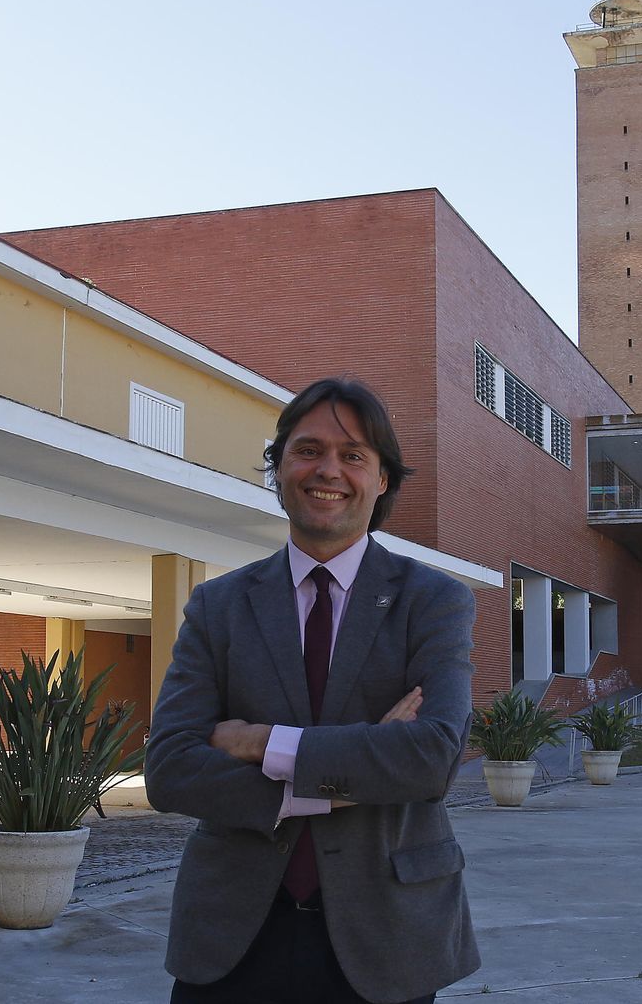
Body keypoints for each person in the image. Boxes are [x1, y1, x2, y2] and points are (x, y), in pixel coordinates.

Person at [147, 377, 480, 1004]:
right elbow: (168, 769)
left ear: (382, 480)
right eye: (307, 450)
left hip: (387, 937)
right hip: (231, 936)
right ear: (278, 468)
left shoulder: (433, 602)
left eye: (353, 455)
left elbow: (431, 758)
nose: (328, 469)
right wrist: (340, 783)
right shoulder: (218, 607)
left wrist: (260, 742)